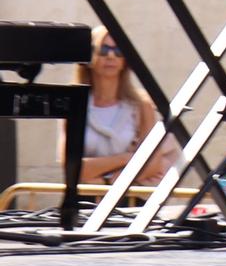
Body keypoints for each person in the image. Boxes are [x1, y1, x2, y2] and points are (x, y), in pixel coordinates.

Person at [65, 27, 165, 185]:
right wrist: (128, 159)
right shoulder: (74, 103)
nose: (111, 56)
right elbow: (72, 167)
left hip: (129, 202)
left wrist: (115, 179)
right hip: (85, 201)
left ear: (125, 60)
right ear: (89, 58)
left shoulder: (141, 105)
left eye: (118, 50)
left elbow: (154, 164)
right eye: (104, 50)